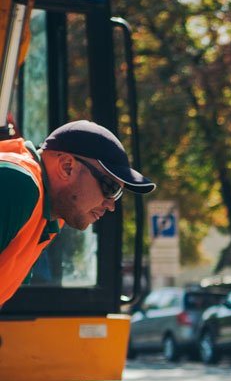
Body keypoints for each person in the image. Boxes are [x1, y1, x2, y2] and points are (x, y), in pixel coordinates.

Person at [0, 120, 156, 307]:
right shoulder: (18, 184)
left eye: (118, 193)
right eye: (110, 187)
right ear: (67, 167)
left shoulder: (49, 216)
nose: (111, 205)